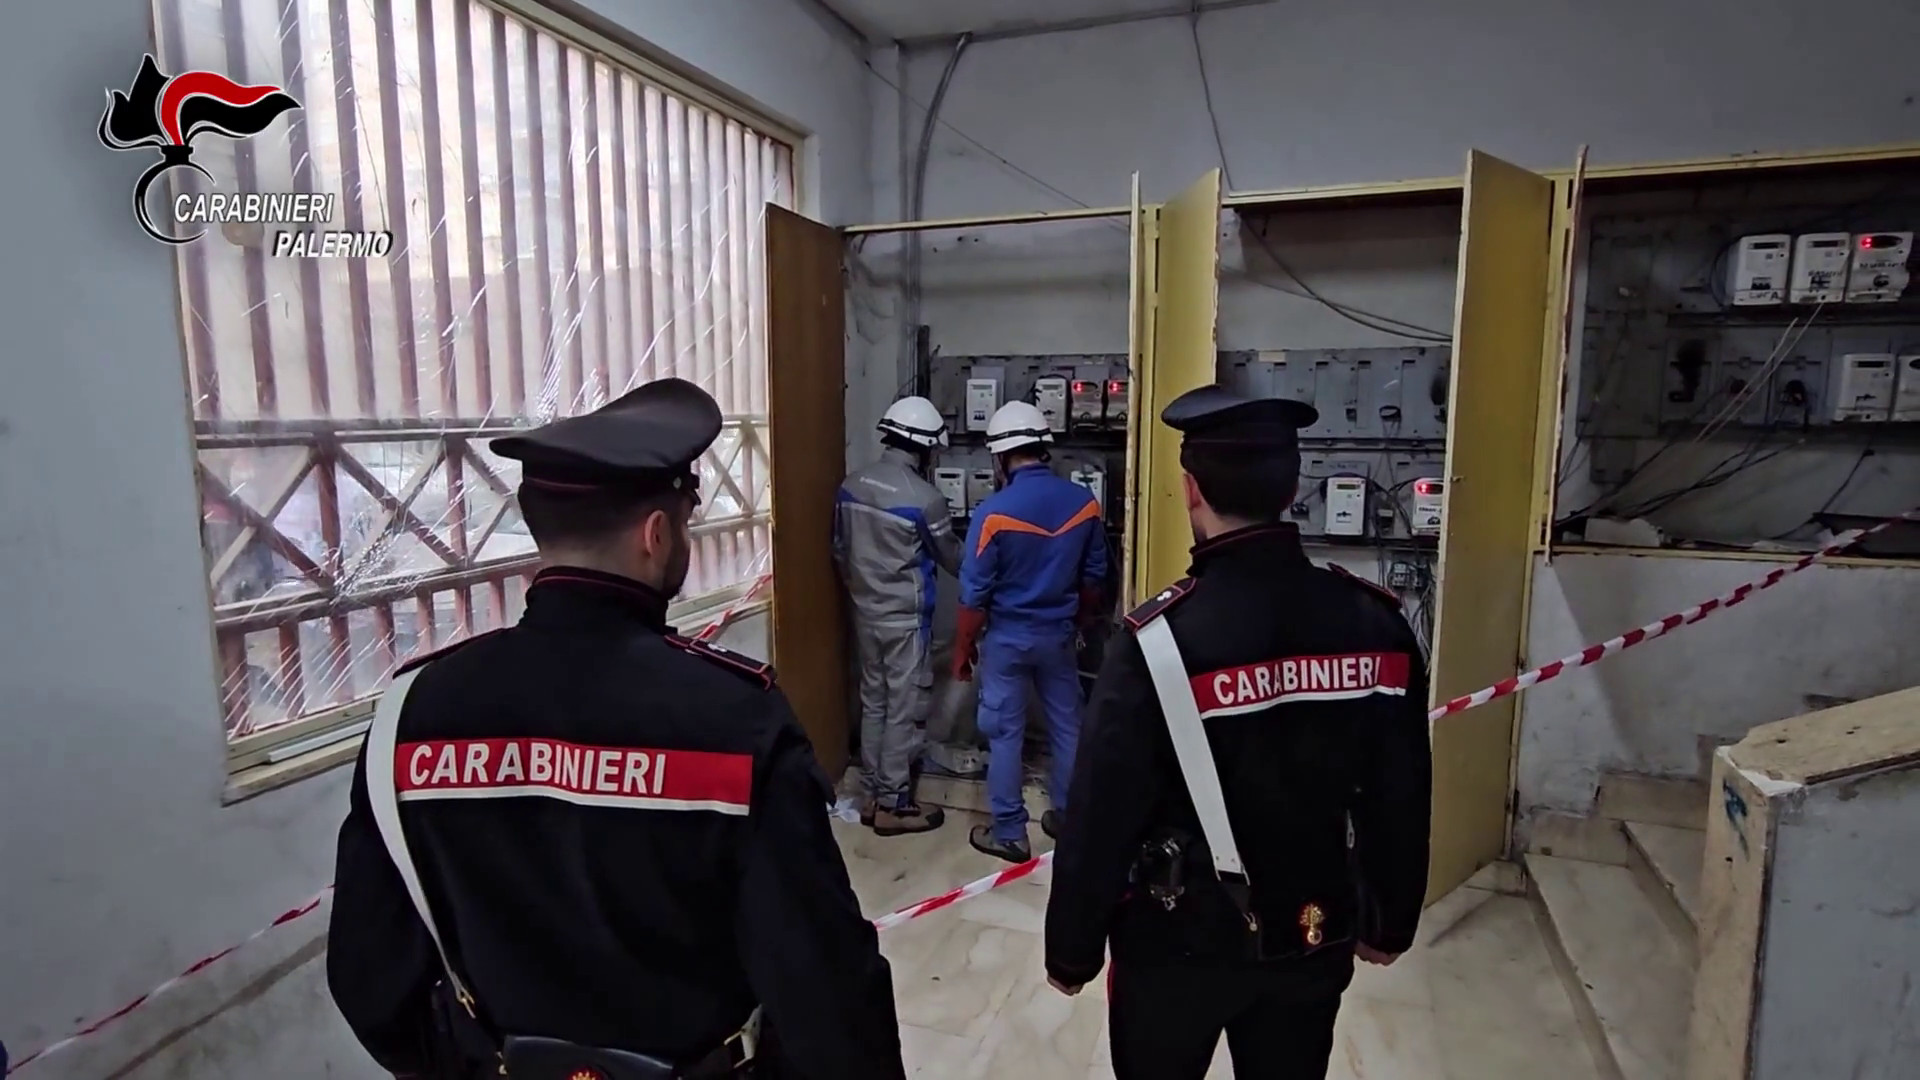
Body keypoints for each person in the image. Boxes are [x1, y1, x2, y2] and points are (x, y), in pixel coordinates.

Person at [327, 378, 905, 1080]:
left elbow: (368, 978)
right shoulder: (734, 723)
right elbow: (826, 993)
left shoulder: (411, 717)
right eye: (685, 524)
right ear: (656, 535)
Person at [1042, 384, 1432, 1080]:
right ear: (1293, 489)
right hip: (1314, 925)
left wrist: (1072, 949)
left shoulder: (1158, 643)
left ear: (1192, 489)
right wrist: (1389, 919)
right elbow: (1399, 793)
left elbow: (1101, 815)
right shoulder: (1376, 626)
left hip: (1177, 940)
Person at [953, 400, 1108, 863]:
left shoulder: (993, 513)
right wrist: (1079, 621)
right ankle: (1071, 820)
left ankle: (1010, 834)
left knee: (1005, 734)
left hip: (1007, 639)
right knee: (1068, 727)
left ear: (1001, 458)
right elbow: (1094, 578)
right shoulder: (1084, 504)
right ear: (1043, 448)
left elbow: (973, 596)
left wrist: (962, 650)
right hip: (1058, 636)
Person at [833, 396, 962, 836]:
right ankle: (893, 803)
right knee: (904, 710)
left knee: (874, 701)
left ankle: (872, 794)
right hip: (906, 620)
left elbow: (839, 550)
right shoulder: (925, 499)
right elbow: (952, 559)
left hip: (865, 613)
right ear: (923, 448)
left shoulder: (851, 486)